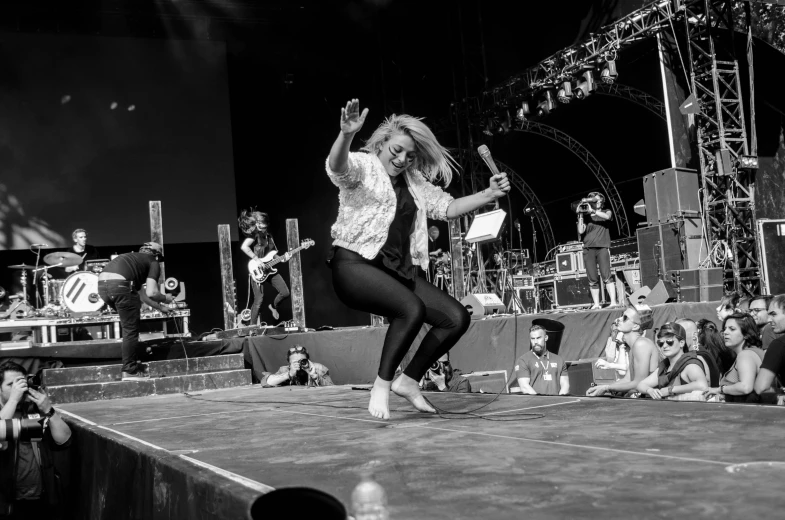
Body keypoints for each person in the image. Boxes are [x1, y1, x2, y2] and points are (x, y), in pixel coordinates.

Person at [326, 99, 510, 419]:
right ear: (382, 144)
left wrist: (488, 195)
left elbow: (447, 208)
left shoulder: (414, 182)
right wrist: (345, 135)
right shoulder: (363, 168)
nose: (402, 159)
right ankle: (381, 386)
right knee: (411, 309)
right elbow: (337, 167)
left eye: (410, 155)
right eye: (396, 150)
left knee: (455, 317)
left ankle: (408, 381)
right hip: (354, 264)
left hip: (395, 271)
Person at [0, 362, 71, 519]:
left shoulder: (33, 410)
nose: (17, 389)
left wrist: (48, 410)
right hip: (7, 502)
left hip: (40, 499)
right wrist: (13, 400)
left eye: (20, 383)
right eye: (11, 384)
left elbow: (64, 439)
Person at [96, 242, 174, 380]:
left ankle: (133, 362)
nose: (159, 262)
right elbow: (152, 292)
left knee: (130, 326)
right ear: (156, 254)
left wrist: (160, 307)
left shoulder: (133, 259)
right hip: (121, 287)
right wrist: (165, 298)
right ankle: (129, 370)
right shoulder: (153, 261)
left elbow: (142, 295)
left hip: (103, 288)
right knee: (131, 330)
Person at [586, 304, 659, 397]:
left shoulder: (641, 344)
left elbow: (639, 383)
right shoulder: (635, 345)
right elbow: (627, 379)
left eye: (625, 318)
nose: (619, 319)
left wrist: (607, 388)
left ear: (636, 326)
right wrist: (602, 387)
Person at [239, 210, 291, 325]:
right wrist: (257, 259)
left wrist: (283, 258)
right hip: (257, 270)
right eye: (262, 227)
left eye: (265, 227)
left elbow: (273, 253)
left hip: (269, 269)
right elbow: (244, 247)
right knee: (259, 300)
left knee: (285, 292)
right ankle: (252, 327)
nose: (263, 229)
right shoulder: (254, 236)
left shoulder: (269, 236)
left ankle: (273, 306)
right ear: (257, 224)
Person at [637, 322, 709, 400]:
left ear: (681, 343)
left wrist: (671, 390)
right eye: (660, 343)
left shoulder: (690, 365)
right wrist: (650, 390)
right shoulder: (665, 366)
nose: (664, 346)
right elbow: (641, 385)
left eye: (669, 342)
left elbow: (703, 386)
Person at [703, 313, 765, 402]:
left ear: (746, 334)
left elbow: (745, 387)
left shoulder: (746, 355)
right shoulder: (752, 352)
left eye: (732, 329)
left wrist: (719, 389)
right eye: (725, 329)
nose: (725, 332)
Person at [578, 192, 617, 309]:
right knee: (592, 278)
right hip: (588, 248)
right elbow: (580, 231)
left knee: (606, 275)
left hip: (602, 247)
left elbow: (608, 217)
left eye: (599, 200)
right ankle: (596, 304)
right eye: (595, 201)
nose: (597, 202)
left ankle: (613, 302)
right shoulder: (586, 216)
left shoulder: (606, 211)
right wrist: (580, 215)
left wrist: (593, 211)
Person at [515, 325, 569, 395]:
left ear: (546, 338)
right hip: (537, 403)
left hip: (556, 403)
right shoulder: (523, 360)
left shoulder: (559, 360)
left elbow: (565, 385)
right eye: (532, 339)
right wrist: (541, 402)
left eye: (538, 338)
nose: (535, 342)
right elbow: (525, 387)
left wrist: (559, 401)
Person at [752, 295, 785, 399]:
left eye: (773, 314)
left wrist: (782, 391)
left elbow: (761, 388)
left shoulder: (779, 345)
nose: (769, 319)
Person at [261, 345, 334, 387]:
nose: (299, 364)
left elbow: (333, 389)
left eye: (302, 361)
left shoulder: (318, 368)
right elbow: (266, 382)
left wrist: (314, 376)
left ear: (308, 360)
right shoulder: (285, 370)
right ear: (289, 364)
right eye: (295, 362)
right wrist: (289, 374)